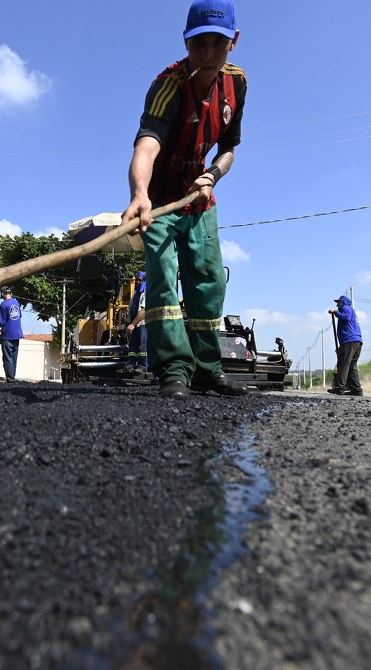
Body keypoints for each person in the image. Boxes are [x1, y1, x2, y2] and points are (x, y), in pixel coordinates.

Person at [120, 0, 248, 399]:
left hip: (198, 199)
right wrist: (139, 194)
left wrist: (213, 174)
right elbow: (146, 145)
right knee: (161, 278)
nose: (208, 55)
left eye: (218, 44)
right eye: (199, 45)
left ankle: (208, 369)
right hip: (159, 200)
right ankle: (174, 369)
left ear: (234, 41)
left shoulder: (237, 84)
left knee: (208, 281)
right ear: (186, 41)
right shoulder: (168, 86)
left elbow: (229, 147)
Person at [328, 295, 364, 396]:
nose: (337, 304)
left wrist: (335, 312)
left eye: (338, 302)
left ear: (343, 302)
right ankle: (356, 390)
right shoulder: (351, 310)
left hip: (349, 341)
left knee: (343, 364)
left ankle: (339, 388)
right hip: (356, 341)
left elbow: (346, 318)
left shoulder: (346, 308)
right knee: (352, 366)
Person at [0, 286, 23, 382]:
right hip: (17, 334)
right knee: (14, 358)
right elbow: (19, 316)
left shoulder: (3, 304)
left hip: (7, 335)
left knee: (7, 359)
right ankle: (12, 378)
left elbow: (2, 322)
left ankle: (10, 380)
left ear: (2, 294)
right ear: (10, 293)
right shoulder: (16, 302)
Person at [124, 271, 148, 374]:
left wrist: (132, 324)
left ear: (144, 281)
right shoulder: (135, 294)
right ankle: (131, 364)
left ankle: (142, 366)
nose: (138, 282)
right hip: (133, 325)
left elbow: (144, 311)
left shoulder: (145, 293)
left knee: (142, 346)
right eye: (137, 280)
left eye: (140, 280)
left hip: (142, 324)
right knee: (133, 346)